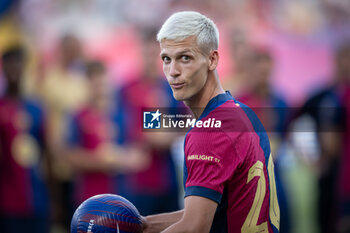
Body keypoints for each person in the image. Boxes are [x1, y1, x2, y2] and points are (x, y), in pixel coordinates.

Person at [142, 11, 280, 233]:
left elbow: (194, 227)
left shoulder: (209, 131)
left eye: (185, 58)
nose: (173, 72)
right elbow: (207, 210)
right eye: (167, 59)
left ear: (213, 59)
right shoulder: (241, 111)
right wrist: (144, 225)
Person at [0, 45, 49, 233]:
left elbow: (47, 154)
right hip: (7, 201)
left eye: (17, 64)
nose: (13, 69)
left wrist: (52, 199)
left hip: (37, 199)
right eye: (8, 65)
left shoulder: (37, 108)